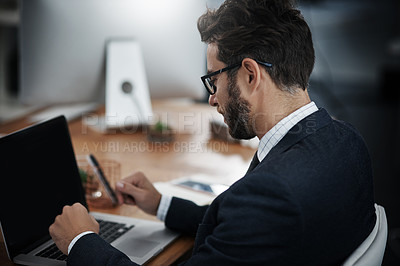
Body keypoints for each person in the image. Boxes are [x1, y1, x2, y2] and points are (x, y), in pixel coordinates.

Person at [49, 0, 376, 265]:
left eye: (213, 80)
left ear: (250, 75)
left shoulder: (268, 197)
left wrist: (81, 241)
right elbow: (250, 227)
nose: (212, 97)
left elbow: (254, 215)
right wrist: (162, 204)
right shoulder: (347, 142)